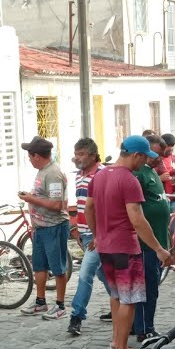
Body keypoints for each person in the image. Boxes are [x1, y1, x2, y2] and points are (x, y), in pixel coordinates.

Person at [85, 136, 171, 349]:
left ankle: (116, 341)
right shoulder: (129, 180)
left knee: (115, 295)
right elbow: (138, 219)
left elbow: (88, 208)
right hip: (125, 246)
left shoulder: (100, 175)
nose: (145, 162)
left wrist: (97, 234)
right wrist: (158, 249)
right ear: (136, 155)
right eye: (144, 157)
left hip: (106, 246)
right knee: (130, 299)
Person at [17, 135, 71, 319]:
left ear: (37, 156)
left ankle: (60, 305)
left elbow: (57, 205)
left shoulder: (53, 173)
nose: (29, 159)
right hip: (41, 227)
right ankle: (40, 302)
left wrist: (31, 199)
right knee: (39, 266)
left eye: (30, 156)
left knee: (58, 267)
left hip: (54, 226)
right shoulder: (42, 171)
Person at [67, 138, 110, 336]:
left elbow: (106, 208)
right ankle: (121, 304)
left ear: (93, 156)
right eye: (76, 154)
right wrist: (75, 228)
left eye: (81, 154)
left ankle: (76, 316)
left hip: (97, 235)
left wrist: (99, 234)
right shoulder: (79, 175)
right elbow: (80, 204)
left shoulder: (102, 174)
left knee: (85, 274)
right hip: (84, 235)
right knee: (103, 274)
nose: (77, 158)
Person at [134, 137, 172, 341]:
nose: (159, 158)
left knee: (152, 286)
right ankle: (144, 328)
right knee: (147, 288)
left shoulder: (152, 172)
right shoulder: (139, 174)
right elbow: (133, 209)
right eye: (155, 153)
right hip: (145, 244)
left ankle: (142, 325)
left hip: (157, 240)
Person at [158, 133, 175, 207]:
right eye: (168, 146)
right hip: (160, 199)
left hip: (174, 198)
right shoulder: (154, 160)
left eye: (172, 146)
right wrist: (159, 178)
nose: (171, 148)